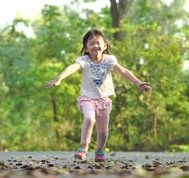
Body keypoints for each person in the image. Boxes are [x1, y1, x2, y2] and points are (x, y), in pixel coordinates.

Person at [45, 29, 152, 162]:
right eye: (91, 44)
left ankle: (99, 150)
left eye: (98, 43)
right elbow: (73, 67)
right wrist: (59, 78)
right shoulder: (84, 60)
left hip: (104, 100)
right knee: (89, 118)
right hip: (87, 98)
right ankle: (83, 147)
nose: (95, 46)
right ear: (86, 48)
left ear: (105, 45)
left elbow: (123, 71)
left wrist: (137, 82)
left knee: (103, 132)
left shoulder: (109, 60)